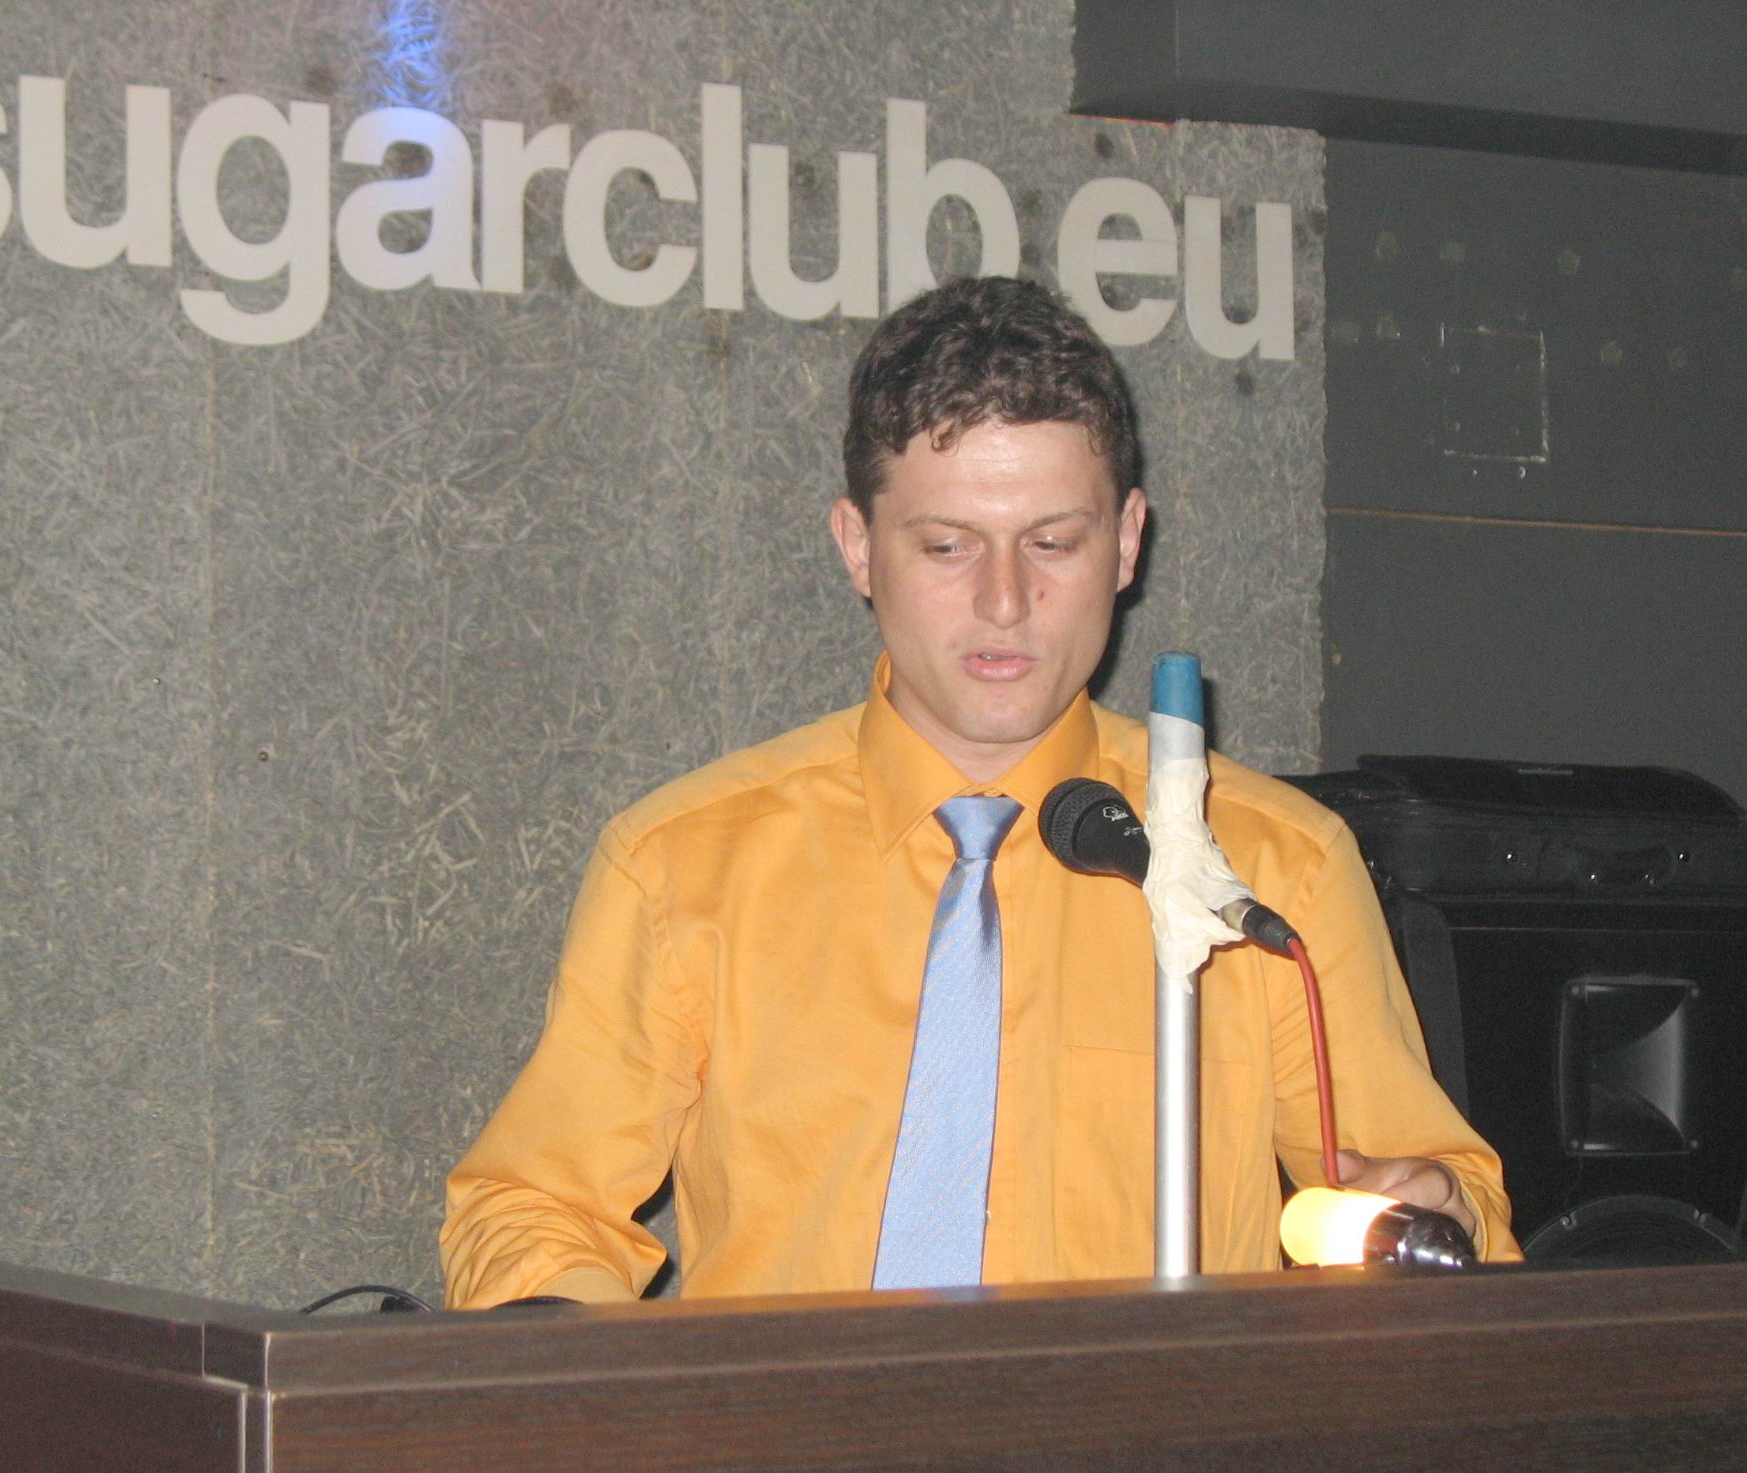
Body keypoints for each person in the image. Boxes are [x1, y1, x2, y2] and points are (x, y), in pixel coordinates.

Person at [441, 277, 1518, 1309]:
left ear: (1126, 543)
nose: (1005, 601)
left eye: (1052, 543)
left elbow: (1444, 1205)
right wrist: (615, 1391)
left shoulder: (1276, 869)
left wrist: (1436, 1215)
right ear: (857, 548)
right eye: (948, 546)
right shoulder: (681, 867)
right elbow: (535, 1208)